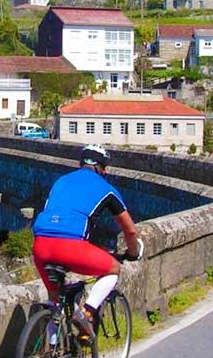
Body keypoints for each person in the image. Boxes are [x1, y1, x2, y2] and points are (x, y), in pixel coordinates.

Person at [32, 144, 142, 341]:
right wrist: (133, 252)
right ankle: (87, 312)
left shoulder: (61, 181)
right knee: (113, 268)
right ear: (103, 169)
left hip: (40, 245)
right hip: (70, 247)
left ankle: (50, 353)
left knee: (55, 299)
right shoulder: (106, 189)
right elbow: (130, 230)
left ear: (80, 164)